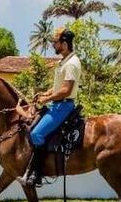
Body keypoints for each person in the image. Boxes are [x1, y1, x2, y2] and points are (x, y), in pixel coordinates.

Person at [20, 26, 82, 187]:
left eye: (56, 42)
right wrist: (45, 94)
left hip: (63, 106)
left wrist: (46, 100)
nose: (53, 45)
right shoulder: (64, 62)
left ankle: (37, 174)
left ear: (65, 43)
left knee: (37, 134)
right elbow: (58, 87)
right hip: (57, 103)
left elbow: (66, 90)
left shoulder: (72, 64)